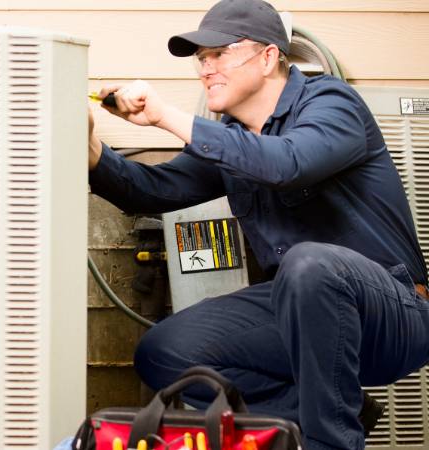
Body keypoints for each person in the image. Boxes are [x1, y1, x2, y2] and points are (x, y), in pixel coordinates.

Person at [87, 0, 429, 449]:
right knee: (166, 351)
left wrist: (165, 116)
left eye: (219, 54)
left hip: (390, 312)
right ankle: (315, 418)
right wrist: (89, 144)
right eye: (201, 59)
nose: (205, 69)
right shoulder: (232, 136)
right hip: (296, 308)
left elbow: (287, 164)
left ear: (268, 57)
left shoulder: (332, 104)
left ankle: (332, 442)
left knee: (309, 265)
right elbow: (151, 190)